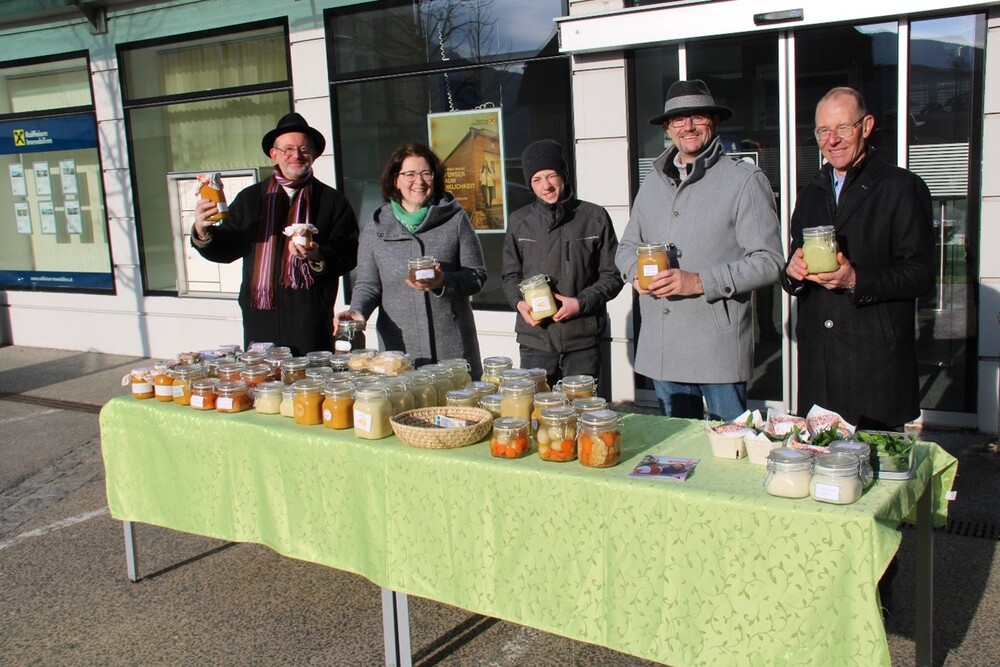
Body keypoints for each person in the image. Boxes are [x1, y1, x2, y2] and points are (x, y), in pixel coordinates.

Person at [616, 79, 783, 421]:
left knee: (729, 447)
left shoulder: (744, 180)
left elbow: (770, 261)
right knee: (675, 449)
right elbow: (626, 248)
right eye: (678, 119)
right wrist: (635, 273)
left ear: (714, 122)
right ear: (668, 128)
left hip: (717, 349)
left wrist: (700, 281)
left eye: (698, 117)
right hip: (663, 349)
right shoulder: (652, 183)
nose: (688, 126)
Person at [782, 87, 934, 431]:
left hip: (875, 370)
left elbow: (922, 274)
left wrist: (855, 280)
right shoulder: (810, 194)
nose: (832, 140)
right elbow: (792, 265)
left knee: (875, 465)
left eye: (842, 128)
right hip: (819, 369)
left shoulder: (901, 187)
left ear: (866, 126)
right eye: (823, 131)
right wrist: (792, 272)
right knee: (822, 464)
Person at [191, 112, 359, 355]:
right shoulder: (251, 199)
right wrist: (202, 230)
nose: (296, 155)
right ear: (274, 154)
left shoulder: (332, 201)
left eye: (303, 149)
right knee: (263, 378)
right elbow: (227, 249)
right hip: (260, 319)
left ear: (313, 154)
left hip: (310, 320)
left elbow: (349, 253)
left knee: (308, 379)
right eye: (288, 149)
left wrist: (318, 255)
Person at [334, 142, 487, 378]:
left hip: (452, 348)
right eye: (410, 174)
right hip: (399, 350)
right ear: (395, 180)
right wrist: (358, 312)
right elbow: (368, 285)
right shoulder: (376, 227)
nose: (419, 181)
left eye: (426, 173)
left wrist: (443, 281)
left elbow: (476, 276)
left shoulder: (455, 220)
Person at [501, 139, 624, 387]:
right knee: (538, 407)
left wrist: (580, 303)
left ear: (563, 175)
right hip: (536, 339)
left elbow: (613, 275)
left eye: (551, 176)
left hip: (582, 339)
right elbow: (510, 275)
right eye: (536, 179)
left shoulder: (594, 216)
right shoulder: (519, 221)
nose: (545, 186)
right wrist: (519, 303)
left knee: (581, 406)